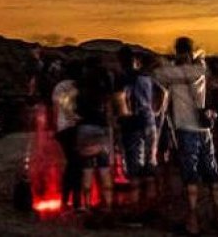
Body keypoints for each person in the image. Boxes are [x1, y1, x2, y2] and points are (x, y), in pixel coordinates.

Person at [154, 37, 218, 236]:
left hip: (186, 128)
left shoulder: (173, 73)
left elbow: (157, 74)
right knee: (212, 173)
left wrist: (166, 62)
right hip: (204, 129)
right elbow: (200, 57)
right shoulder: (200, 69)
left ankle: (192, 222)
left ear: (178, 51)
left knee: (190, 175)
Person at [116, 46, 165, 212]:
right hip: (149, 122)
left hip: (132, 125)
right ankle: (151, 207)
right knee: (149, 165)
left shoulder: (122, 78)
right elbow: (163, 92)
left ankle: (136, 209)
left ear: (121, 61)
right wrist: (156, 110)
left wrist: (122, 118)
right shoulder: (146, 77)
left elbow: (120, 100)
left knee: (134, 170)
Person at [75, 55, 117, 217]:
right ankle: (108, 205)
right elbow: (110, 108)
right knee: (104, 168)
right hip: (101, 128)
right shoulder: (105, 84)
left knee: (87, 168)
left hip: (85, 128)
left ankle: (87, 205)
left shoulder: (81, 84)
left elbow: (75, 109)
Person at [52, 59, 83, 211]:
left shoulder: (58, 87)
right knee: (76, 164)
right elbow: (68, 108)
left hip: (62, 128)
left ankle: (67, 198)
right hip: (73, 127)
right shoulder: (77, 86)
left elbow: (55, 109)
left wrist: (55, 127)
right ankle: (75, 200)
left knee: (72, 163)